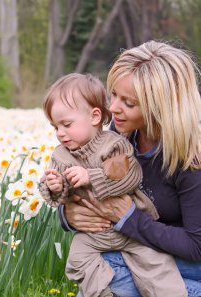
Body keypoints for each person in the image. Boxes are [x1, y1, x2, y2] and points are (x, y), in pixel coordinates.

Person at [59, 40, 201, 297]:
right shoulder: (121, 135)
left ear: (160, 108)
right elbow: (88, 179)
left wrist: (129, 218)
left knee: (107, 268)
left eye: (128, 102)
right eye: (113, 94)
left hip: (190, 260)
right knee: (101, 265)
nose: (112, 108)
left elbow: (197, 246)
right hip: (146, 250)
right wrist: (69, 214)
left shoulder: (192, 159)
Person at [38, 73, 187, 297]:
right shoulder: (61, 155)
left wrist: (90, 177)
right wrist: (56, 187)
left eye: (66, 125)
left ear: (94, 117)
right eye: (55, 127)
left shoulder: (113, 145)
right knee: (77, 261)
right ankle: (103, 292)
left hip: (133, 233)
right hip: (94, 234)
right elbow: (61, 197)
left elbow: (130, 176)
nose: (60, 133)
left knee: (156, 267)